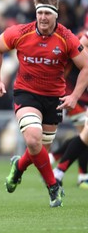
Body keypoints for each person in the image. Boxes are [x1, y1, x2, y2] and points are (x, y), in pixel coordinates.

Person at [0, 0, 88, 208]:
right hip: (26, 93)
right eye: (40, 13)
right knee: (33, 140)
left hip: (54, 98)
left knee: (39, 149)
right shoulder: (20, 32)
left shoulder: (67, 38)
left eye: (47, 13)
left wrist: (74, 96)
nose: (43, 17)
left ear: (56, 16)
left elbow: (85, 67)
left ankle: (18, 167)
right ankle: (54, 186)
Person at [51, 30, 88, 189]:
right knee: (85, 134)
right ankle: (82, 176)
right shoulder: (83, 37)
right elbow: (82, 49)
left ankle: (54, 161)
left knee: (84, 135)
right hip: (75, 94)